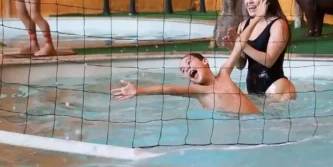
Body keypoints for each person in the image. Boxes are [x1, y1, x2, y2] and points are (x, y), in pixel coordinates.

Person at [111, 52, 260, 116]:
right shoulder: (199, 91)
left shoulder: (224, 74)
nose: (187, 69)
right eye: (183, 70)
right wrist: (139, 90)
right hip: (243, 128)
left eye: (189, 63)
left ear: (205, 61)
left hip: (261, 119)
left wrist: (256, 18)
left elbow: (238, 47)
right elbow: (168, 88)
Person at [228, 0, 297, 101]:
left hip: (277, 87)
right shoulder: (244, 25)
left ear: (267, 0)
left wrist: (241, 45)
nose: (249, 1)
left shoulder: (278, 24)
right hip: (252, 88)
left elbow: (269, 60)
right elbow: (240, 65)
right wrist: (234, 49)